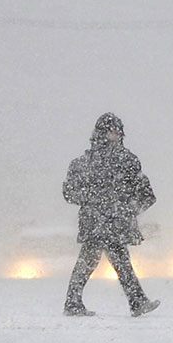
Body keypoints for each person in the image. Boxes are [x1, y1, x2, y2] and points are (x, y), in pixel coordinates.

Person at [62, 112, 160, 318]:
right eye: (112, 131)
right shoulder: (84, 162)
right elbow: (69, 192)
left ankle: (74, 302)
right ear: (101, 133)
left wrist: (128, 209)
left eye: (118, 132)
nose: (116, 135)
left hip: (109, 222)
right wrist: (96, 200)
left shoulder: (127, 161)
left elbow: (147, 194)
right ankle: (136, 301)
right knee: (112, 262)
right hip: (100, 222)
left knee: (94, 262)